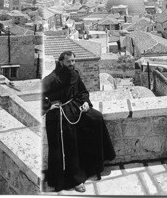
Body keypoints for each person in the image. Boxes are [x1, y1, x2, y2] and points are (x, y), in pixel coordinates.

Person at [42, 51, 115, 192]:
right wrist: (48, 106)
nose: (72, 64)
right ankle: (73, 179)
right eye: (69, 61)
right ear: (61, 62)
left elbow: (82, 92)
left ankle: (94, 165)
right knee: (69, 137)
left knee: (96, 118)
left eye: (73, 61)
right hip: (59, 113)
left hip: (75, 106)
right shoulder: (51, 79)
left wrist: (86, 102)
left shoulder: (74, 74)